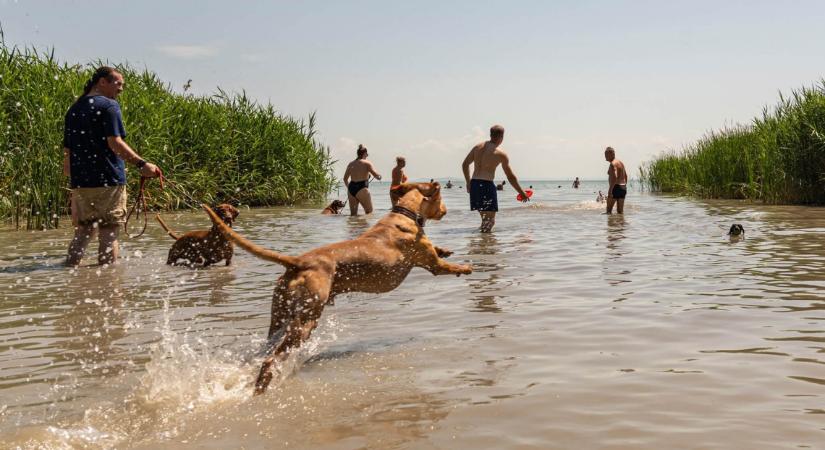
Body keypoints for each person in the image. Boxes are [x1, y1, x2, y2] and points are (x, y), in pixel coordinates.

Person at [63, 66, 162, 266]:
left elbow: (68, 151)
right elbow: (114, 142)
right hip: (108, 180)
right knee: (109, 233)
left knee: (83, 231)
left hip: (81, 182)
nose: (121, 89)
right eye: (118, 83)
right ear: (102, 82)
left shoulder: (74, 109)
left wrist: (73, 183)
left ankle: (69, 273)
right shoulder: (109, 106)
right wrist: (142, 164)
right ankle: (108, 283)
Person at [461, 125, 529, 232]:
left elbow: (465, 164)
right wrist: (521, 192)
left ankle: (480, 244)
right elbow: (510, 177)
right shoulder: (500, 154)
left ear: (490, 135)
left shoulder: (477, 147)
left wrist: (468, 182)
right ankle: (484, 245)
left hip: (474, 185)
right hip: (487, 186)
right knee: (490, 221)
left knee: (485, 220)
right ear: (501, 137)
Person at [343, 144, 382, 215]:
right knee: (369, 213)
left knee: (353, 215)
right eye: (367, 154)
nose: (367, 155)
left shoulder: (351, 164)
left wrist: (349, 188)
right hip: (362, 188)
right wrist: (379, 176)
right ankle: (365, 226)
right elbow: (376, 176)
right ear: (364, 153)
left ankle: (354, 226)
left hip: (351, 189)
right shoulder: (367, 163)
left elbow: (345, 179)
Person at [604, 146, 628, 214]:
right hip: (623, 188)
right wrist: (624, 187)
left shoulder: (612, 164)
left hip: (615, 188)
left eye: (606, 154)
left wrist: (610, 190)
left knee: (608, 212)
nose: (605, 156)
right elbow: (626, 176)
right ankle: (621, 223)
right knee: (620, 212)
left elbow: (615, 177)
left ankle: (610, 224)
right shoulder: (621, 163)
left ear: (612, 154)